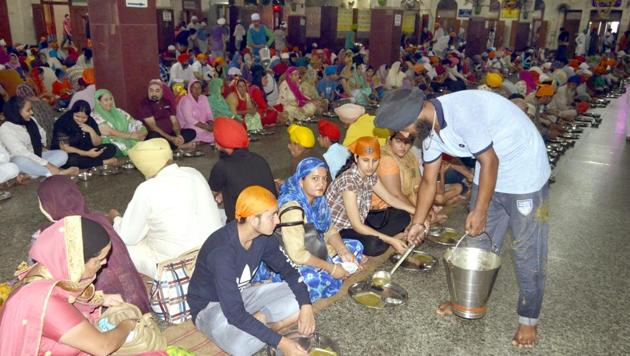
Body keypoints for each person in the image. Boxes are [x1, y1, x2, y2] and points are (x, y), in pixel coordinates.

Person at [375, 88, 550, 348]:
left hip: (525, 175)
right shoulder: (428, 132)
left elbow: (490, 161)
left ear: (417, 113)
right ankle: (467, 302)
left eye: (405, 129)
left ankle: (528, 319)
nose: (406, 135)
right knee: (477, 245)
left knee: (527, 250)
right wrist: (418, 223)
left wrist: (479, 211)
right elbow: (427, 182)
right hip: (490, 175)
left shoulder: (464, 113)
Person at [187, 186, 315, 356]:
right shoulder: (222, 253)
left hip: (241, 294)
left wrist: (306, 306)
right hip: (210, 307)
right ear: (254, 220)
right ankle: (266, 326)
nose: (278, 220)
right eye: (272, 215)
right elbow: (234, 314)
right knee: (240, 348)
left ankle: (264, 323)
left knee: (303, 296)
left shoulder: (263, 236)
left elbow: (288, 270)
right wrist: (282, 343)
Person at [0, 216, 137, 355]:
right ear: (76, 262)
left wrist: (101, 298)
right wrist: (127, 325)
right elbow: (103, 347)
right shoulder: (45, 302)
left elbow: (65, 294)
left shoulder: (48, 268)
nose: (104, 263)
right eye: (99, 259)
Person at [253, 158, 366, 301]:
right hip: (292, 260)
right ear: (301, 181)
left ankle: (337, 266)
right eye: (315, 179)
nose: (322, 184)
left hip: (315, 247)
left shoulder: (318, 201)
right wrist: (332, 268)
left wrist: (343, 252)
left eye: (324, 179)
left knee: (355, 246)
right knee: (315, 280)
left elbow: (329, 229)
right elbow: (298, 255)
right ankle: (279, 284)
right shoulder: (292, 209)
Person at [36, 175, 151, 312]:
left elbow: (47, 280)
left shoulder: (53, 235)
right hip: (137, 301)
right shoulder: (99, 218)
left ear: (47, 205)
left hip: (106, 311)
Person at [109, 138, 221, 277]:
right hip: (214, 254)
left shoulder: (147, 189)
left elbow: (128, 237)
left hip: (177, 266)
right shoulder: (193, 173)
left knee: (119, 246)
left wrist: (116, 219)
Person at [325, 136, 415, 256]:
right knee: (374, 245)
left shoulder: (369, 175)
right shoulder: (349, 182)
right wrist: (392, 241)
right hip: (340, 230)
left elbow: (390, 198)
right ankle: (389, 238)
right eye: (366, 160)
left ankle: (385, 237)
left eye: (375, 160)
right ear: (356, 158)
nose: (371, 166)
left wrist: (417, 212)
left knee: (403, 215)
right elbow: (357, 226)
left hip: (361, 220)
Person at [209, 118, 277, 222]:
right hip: (270, 220)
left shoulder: (222, 166)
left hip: (243, 227)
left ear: (220, 142)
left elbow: (209, 195)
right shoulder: (259, 159)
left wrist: (222, 193)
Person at [0, 96, 77, 177]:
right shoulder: (5, 129)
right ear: (17, 112)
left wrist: (41, 146)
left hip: (36, 154)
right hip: (19, 159)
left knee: (62, 155)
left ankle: (30, 175)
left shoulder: (30, 121)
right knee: (20, 161)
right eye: (28, 110)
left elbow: (42, 138)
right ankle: (57, 173)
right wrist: (47, 164)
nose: (32, 113)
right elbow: (21, 152)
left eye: (31, 109)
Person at [51, 100, 118, 169]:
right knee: (72, 160)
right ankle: (103, 162)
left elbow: (97, 143)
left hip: (88, 150)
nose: (80, 120)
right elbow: (65, 148)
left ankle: (88, 162)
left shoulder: (90, 121)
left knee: (111, 148)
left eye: (84, 118)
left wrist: (91, 131)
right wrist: (87, 153)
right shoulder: (63, 122)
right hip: (70, 152)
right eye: (77, 116)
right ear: (72, 112)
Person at [138, 79, 196, 149]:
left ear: (162, 92)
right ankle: (179, 146)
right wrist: (171, 138)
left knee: (192, 132)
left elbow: (174, 122)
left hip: (171, 133)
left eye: (157, 91)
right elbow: (153, 127)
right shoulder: (144, 104)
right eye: (151, 90)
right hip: (157, 135)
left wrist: (178, 136)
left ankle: (175, 145)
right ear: (148, 91)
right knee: (153, 138)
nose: (154, 93)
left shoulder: (167, 102)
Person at [93, 89, 147, 156]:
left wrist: (142, 132)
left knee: (151, 136)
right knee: (114, 149)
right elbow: (110, 132)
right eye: (106, 100)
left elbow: (134, 122)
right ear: (98, 101)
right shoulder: (95, 115)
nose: (109, 102)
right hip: (111, 142)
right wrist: (132, 136)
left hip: (128, 137)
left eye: (111, 99)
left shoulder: (118, 111)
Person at [176, 80, 215, 144]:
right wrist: (205, 127)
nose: (197, 90)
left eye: (199, 88)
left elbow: (209, 113)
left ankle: (201, 141)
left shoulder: (204, 98)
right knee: (196, 131)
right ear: (190, 89)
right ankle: (199, 141)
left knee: (217, 129)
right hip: (188, 125)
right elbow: (189, 119)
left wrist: (211, 123)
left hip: (203, 124)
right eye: (194, 88)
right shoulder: (186, 100)